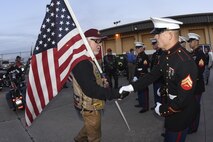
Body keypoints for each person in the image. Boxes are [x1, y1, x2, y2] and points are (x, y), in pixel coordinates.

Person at [119, 17, 199, 142]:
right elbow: (152, 75)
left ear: (169, 35)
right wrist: (131, 87)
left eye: (158, 33)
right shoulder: (165, 55)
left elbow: (183, 100)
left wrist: (163, 110)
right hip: (171, 106)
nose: (155, 37)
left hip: (180, 114)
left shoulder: (185, 61)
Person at [71, 28, 128, 142]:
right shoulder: (82, 63)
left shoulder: (89, 60)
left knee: (89, 128)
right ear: (85, 42)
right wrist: (116, 93)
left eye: (100, 41)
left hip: (94, 105)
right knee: (95, 138)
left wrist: (102, 81)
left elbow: (90, 81)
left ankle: (78, 140)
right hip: (89, 108)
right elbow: (91, 90)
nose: (99, 44)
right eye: (95, 41)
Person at [187, 33, 206, 134]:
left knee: (195, 107)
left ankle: (194, 127)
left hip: (197, 85)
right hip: (191, 85)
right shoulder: (192, 53)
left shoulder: (200, 54)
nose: (189, 43)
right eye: (189, 41)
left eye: (190, 41)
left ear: (196, 42)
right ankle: (191, 124)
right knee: (191, 107)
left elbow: (200, 71)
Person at [133, 42, 150, 113]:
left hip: (143, 75)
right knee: (139, 90)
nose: (137, 49)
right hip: (138, 75)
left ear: (141, 48)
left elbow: (145, 67)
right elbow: (136, 67)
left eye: (138, 48)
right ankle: (141, 103)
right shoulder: (138, 56)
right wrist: (135, 76)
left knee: (144, 91)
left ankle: (145, 107)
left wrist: (140, 75)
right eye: (136, 48)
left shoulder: (144, 56)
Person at [150, 38, 163, 110]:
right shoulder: (154, 54)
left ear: (158, 44)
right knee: (155, 92)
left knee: (160, 92)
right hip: (155, 77)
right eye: (152, 44)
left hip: (160, 77)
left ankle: (161, 106)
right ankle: (156, 105)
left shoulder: (162, 53)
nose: (153, 45)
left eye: (154, 43)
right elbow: (152, 66)